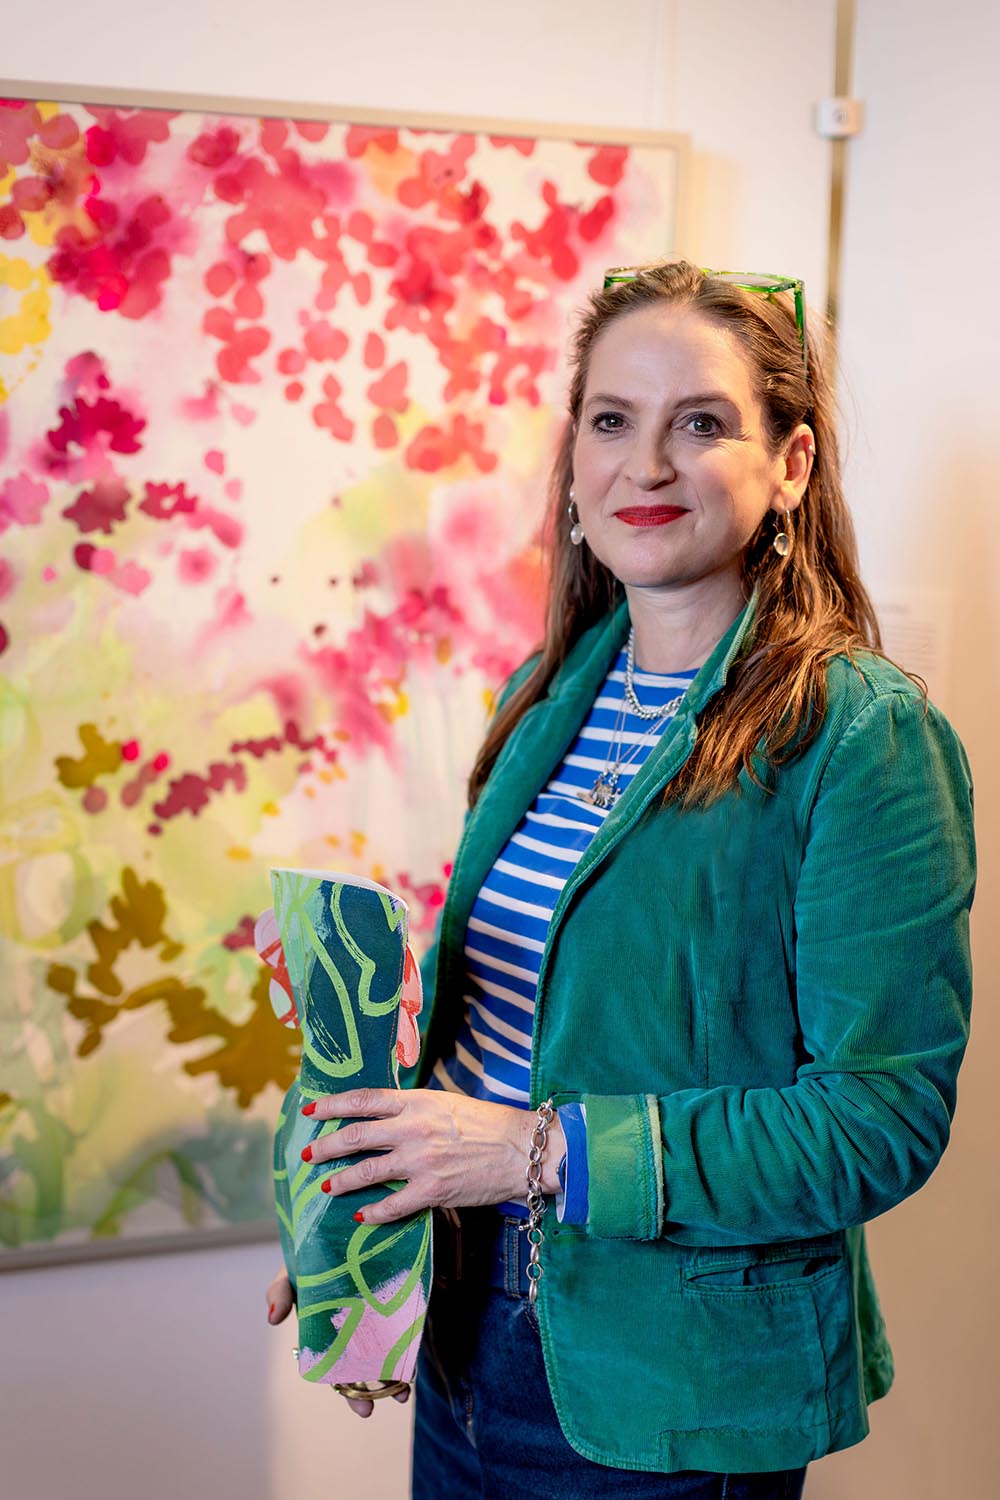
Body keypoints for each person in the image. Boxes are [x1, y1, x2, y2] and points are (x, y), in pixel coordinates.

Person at [266, 259, 975, 1499]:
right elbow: (485, 1026)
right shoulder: (544, 695)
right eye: (611, 420)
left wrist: (531, 1154)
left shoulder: (854, 736)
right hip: (462, 1339)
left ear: (790, 467)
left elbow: (880, 1123)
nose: (644, 465)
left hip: (670, 1392)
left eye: (699, 424)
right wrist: (346, 1213)